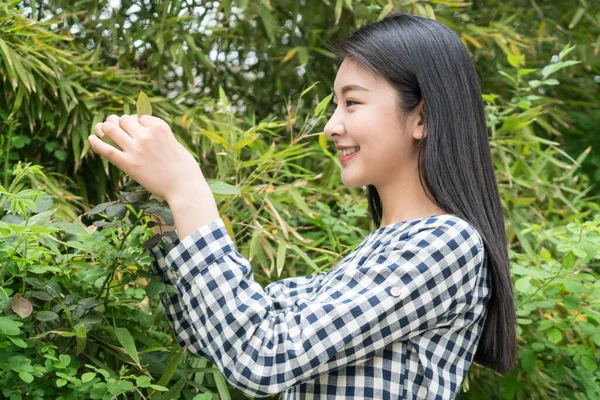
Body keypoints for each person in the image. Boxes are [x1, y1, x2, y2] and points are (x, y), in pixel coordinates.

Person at [93, 12, 517, 400]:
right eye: (336, 105)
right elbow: (210, 332)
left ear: (420, 118)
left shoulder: (446, 245)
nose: (332, 126)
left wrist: (188, 187)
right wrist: (162, 210)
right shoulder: (368, 261)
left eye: (352, 102)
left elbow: (262, 355)